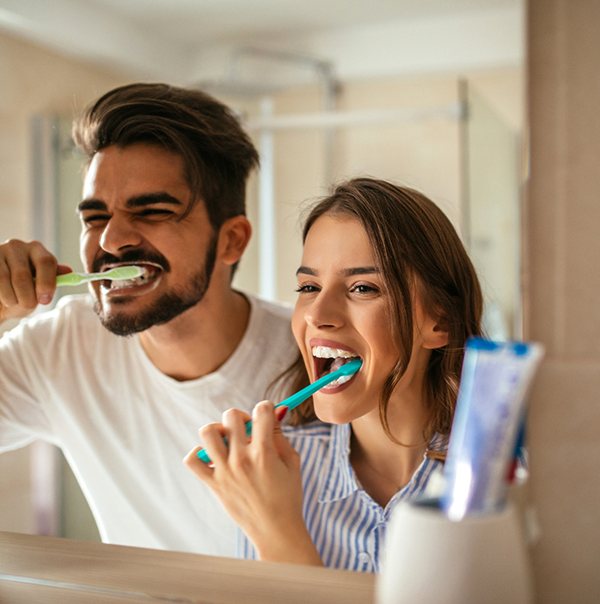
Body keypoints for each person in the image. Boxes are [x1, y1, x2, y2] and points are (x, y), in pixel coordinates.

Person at [0, 83, 298, 556]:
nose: (112, 240)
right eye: (95, 217)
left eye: (153, 210)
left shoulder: (314, 363)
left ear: (231, 241)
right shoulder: (61, 344)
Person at [185, 178, 483, 572]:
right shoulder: (268, 476)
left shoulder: (502, 478)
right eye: (308, 286)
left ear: (439, 320)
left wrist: (279, 535)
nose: (317, 315)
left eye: (362, 287)